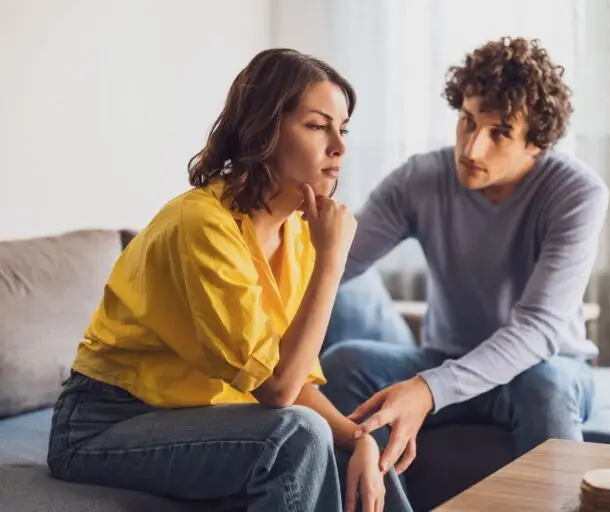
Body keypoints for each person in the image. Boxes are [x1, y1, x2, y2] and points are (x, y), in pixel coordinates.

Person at [46, 48, 411, 512]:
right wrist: (332, 260)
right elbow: (278, 392)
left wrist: (360, 440)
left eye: (343, 129)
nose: (338, 146)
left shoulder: (297, 232)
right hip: (103, 423)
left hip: (203, 418)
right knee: (296, 435)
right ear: (264, 129)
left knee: (364, 454)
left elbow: (296, 384)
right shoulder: (201, 224)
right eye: (318, 126)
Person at [320, 36, 610, 481]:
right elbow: (338, 262)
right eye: (468, 122)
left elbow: (537, 330)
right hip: (443, 357)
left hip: (540, 368)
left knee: (545, 385)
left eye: (500, 133)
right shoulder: (421, 179)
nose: (472, 149)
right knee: (344, 363)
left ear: (536, 143)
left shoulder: (576, 193)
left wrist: (427, 390)